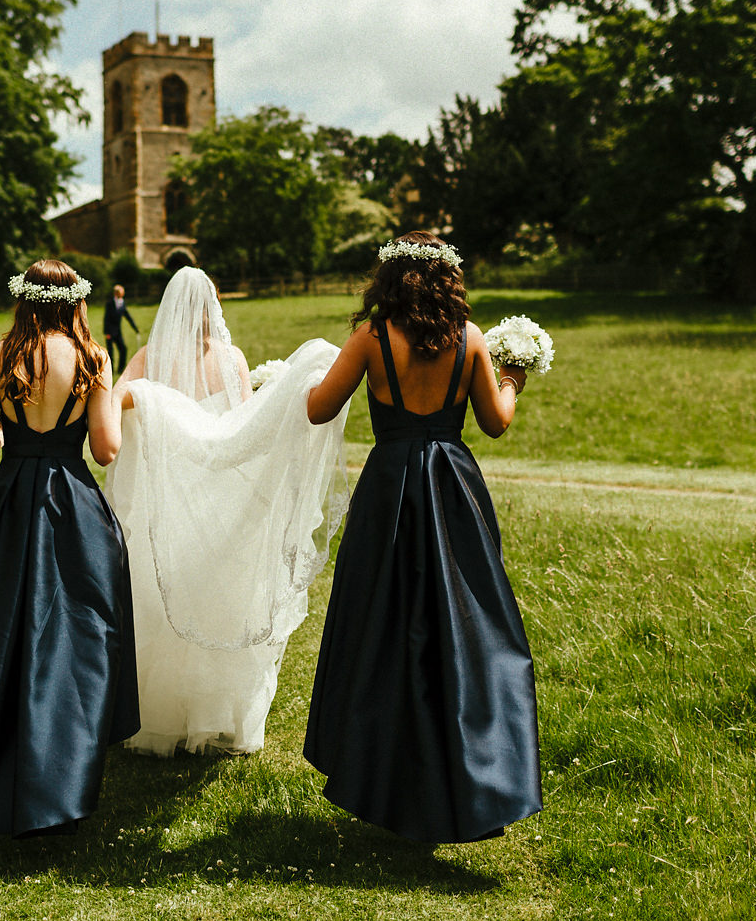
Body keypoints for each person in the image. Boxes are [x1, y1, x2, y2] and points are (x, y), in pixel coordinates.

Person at [303, 231, 542, 842]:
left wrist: (289, 381)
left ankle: (382, 774)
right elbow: (495, 423)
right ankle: (466, 771)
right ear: (447, 278)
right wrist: (512, 378)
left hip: (391, 491)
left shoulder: (372, 338)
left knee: (383, 629)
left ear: (390, 278)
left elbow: (318, 408)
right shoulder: (472, 340)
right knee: (459, 629)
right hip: (453, 489)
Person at [107, 267, 351, 756]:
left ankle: (156, 719)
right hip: (218, 500)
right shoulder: (231, 358)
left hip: (164, 499)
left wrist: (154, 405)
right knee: (217, 596)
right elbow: (242, 428)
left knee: (158, 597)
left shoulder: (147, 358)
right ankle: (218, 717)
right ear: (212, 310)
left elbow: (114, 401)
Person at [0, 259, 139, 837]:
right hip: (72, 503)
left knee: (7, 635)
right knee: (77, 640)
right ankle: (65, 782)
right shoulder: (93, 358)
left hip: (15, 504)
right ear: (76, 302)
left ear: (24, 300)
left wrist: (5, 430)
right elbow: (106, 450)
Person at [103, 284, 140, 374]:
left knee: (123, 349)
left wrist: (135, 328)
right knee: (110, 353)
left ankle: (120, 369)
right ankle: (110, 371)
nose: (123, 294)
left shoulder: (122, 303)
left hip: (118, 332)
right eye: (121, 292)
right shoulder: (110, 304)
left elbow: (128, 316)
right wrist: (107, 332)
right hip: (110, 332)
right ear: (116, 293)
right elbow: (106, 318)